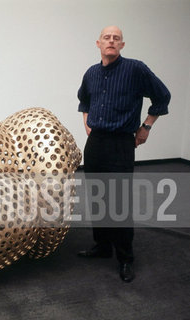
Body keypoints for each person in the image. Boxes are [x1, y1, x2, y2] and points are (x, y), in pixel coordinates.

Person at [77, 26, 171, 282]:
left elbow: (162, 96)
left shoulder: (135, 69)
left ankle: (126, 258)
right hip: (96, 142)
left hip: (121, 143)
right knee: (97, 195)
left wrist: (147, 126)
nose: (111, 41)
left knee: (118, 201)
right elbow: (83, 100)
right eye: (106, 38)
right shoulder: (92, 73)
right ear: (98, 43)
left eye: (116, 38)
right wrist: (88, 124)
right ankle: (103, 246)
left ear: (122, 45)